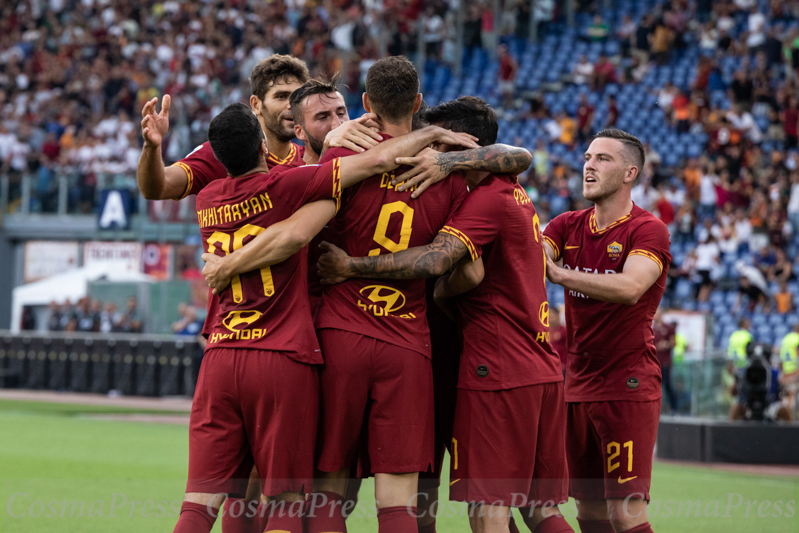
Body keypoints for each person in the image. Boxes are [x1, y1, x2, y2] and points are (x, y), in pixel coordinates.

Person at [171, 102, 478, 533]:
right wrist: (431, 139)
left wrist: (227, 264)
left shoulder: (206, 198)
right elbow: (311, 219)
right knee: (288, 501)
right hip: (283, 354)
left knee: (201, 502)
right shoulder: (290, 183)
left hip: (221, 354)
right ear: (264, 144)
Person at [316, 95, 571, 533]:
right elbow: (518, 157)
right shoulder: (510, 188)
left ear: (461, 144)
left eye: (437, 142)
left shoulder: (480, 199)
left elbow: (447, 265)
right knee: (536, 511)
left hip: (490, 367)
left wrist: (353, 267)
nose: (427, 151)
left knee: (479, 510)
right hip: (535, 365)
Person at [543, 128, 672, 533]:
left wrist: (560, 274)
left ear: (630, 172)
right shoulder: (566, 225)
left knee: (625, 513)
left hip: (627, 385)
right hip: (577, 384)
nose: (588, 166)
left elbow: (631, 287)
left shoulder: (648, 229)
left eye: (602, 159)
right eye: (586, 158)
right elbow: (530, 256)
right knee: (591, 514)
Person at [137, 55, 380, 201]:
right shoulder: (225, 153)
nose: (290, 106)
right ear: (256, 105)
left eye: (296, 98)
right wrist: (152, 146)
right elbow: (157, 188)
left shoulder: (307, 161)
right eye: (281, 96)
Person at [653, 310, 678, 414]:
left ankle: (673, 408)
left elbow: (673, 343)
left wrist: (666, 345)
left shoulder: (668, 328)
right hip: (654, 363)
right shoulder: (652, 329)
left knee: (667, 385)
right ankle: (657, 409)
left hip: (665, 363)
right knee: (654, 386)